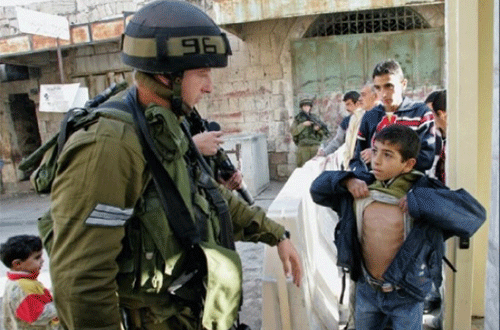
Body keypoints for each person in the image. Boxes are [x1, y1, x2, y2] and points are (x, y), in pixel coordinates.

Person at [46, 1, 302, 329]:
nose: (209, 86)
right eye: (202, 74)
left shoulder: (167, 124)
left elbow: (209, 197)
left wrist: (276, 234)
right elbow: (82, 278)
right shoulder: (109, 145)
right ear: (167, 75)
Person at [310, 125, 485, 330]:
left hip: (407, 294)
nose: (376, 160)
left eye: (388, 155)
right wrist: (346, 180)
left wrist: (422, 202)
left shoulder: (423, 191)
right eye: (375, 151)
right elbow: (317, 189)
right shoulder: (360, 188)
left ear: (408, 164)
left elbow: (473, 216)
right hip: (367, 290)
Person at [349, 59, 436, 177]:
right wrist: (359, 181)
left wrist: (379, 155)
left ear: (403, 84)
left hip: (410, 187)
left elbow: (426, 158)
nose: (383, 94)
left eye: (389, 86)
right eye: (378, 88)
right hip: (375, 186)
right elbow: (358, 159)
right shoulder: (370, 116)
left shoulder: (421, 113)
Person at [0, 235, 61, 330]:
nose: (42, 260)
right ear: (17, 264)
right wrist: (60, 305)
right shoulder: (23, 286)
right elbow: (37, 316)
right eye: (37, 258)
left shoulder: (18, 282)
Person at [317, 91, 360, 157]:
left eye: (349, 104)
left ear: (357, 104)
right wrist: (325, 152)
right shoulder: (346, 121)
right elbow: (337, 141)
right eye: (346, 105)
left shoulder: (367, 118)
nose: (347, 108)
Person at [291, 98, 329, 167]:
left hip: (315, 146)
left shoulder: (315, 118)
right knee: (303, 168)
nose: (306, 108)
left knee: (316, 168)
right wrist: (303, 125)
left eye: (308, 106)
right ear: (301, 107)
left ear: (310, 107)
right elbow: (293, 132)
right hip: (303, 147)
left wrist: (317, 129)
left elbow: (323, 132)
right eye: (304, 106)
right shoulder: (298, 119)